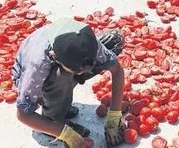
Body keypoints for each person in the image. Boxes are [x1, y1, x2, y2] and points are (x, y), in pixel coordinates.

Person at [12, 18, 126, 148]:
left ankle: (62, 97)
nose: (81, 74)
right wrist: (67, 135)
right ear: (55, 57)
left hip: (69, 57)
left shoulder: (90, 43)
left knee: (114, 41)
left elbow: (116, 69)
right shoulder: (37, 64)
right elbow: (23, 114)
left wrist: (114, 116)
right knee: (63, 76)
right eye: (77, 71)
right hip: (33, 76)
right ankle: (53, 119)